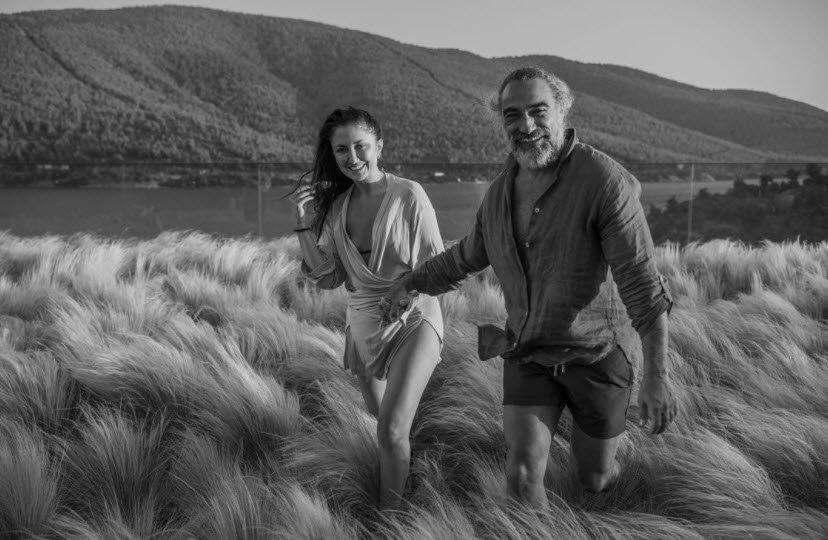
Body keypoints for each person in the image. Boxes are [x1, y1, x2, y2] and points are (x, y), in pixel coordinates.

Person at [381, 67, 677, 508]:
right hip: (528, 352)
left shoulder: (604, 181)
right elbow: (466, 257)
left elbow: (643, 288)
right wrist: (412, 282)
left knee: (594, 478)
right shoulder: (499, 193)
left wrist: (657, 375)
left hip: (596, 354)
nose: (526, 124)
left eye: (539, 111)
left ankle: (609, 483)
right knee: (521, 475)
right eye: (512, 115)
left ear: (562, 111)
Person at [289, 107, 444, 510]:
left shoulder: (409, 194)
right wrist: (304, 221)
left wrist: (407, 294)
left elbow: (436, 264)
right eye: (342, 150)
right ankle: (415, 481)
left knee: (391, 430)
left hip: (413, 317)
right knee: (385, 422)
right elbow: (328, 278)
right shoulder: (336, 207)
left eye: (361, 146)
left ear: (379, 146)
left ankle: (390, 524)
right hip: (363, 324)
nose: (352, 157)